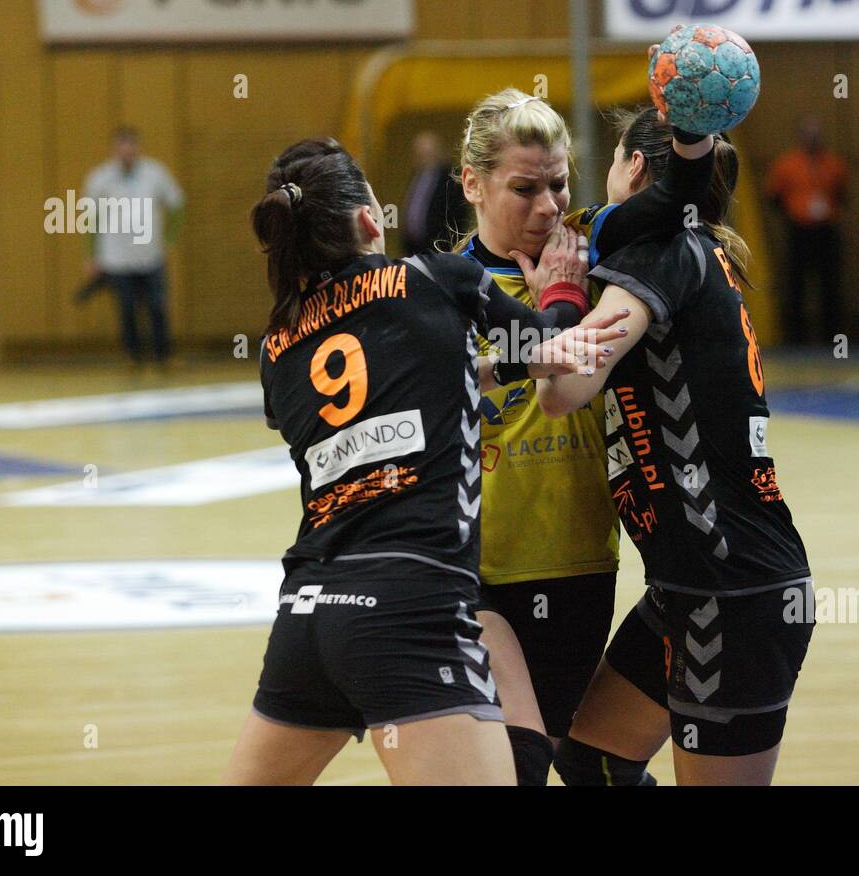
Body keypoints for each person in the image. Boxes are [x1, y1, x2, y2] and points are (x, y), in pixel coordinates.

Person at [222, 138, 627, 786]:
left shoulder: (277, 347)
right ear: (366, 221)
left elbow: (394, 385)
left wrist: (490, 372)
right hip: (407, 603)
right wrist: (560, 293)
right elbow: (553, 346)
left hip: (308, 614)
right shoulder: (438, 279)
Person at [537, 107, 815, 786]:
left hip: (734, 591)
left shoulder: (661, 254)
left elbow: (565, 389)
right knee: (591, 758)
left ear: (635, 166)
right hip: (690, 588)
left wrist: (561, 297)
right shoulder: (696, 251)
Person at [455, 70, 719, 785]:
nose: (548, 208)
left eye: (560, 186)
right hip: (475, 570)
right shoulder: (445, 289)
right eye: (523, 189)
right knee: (513, 766)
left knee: (581, 761)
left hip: (578, 564)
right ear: (471, 184)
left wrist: (694, 124)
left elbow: (683, 200)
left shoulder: (604, 262)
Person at [83, 125, 185, 365]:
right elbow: (90, 217)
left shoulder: (155, 173)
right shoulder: (100, 178)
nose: (127, 151)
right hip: (116, 256)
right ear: (114, 149)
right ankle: (133, 356)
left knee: (157, 306)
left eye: (131, 146)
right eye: (122, 146)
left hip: (150, 253)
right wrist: (91, 255)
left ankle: (163, 355)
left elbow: (177, 204)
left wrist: (169, 240)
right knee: (126, 309)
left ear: (138, 147)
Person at [763, 114, 848, 345]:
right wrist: (793, 215)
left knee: (830, 284)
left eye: (815, 133)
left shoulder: (834, 163)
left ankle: (831, 336)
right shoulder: (786, 164)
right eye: (808, 133)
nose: (812, 138)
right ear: (801, 137)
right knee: (796, 284)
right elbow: (773, 196)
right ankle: (796, 338)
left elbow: (842, 194)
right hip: (798, 231)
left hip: (826, 231)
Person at [400, 131, 467, 255]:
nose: (422, 157)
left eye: (426, 152)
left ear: (438, 152)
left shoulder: (451, 179)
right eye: (418, 153)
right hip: (413, 249)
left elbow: (457, 215)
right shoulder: (416, 177)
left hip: (439, 249)